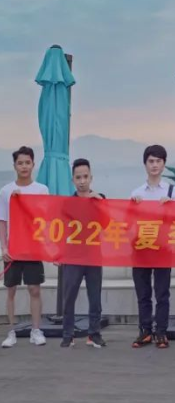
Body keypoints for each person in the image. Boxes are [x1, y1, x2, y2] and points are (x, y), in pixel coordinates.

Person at [129, 145, 175, 349]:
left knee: (162, 293)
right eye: (151, 161)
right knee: (142, 293)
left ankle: (161, 331)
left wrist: (171, 207)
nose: (154, 165)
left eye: (158, 161)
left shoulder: (172, 192)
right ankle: (145, 331)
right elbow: (129, 223)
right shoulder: (137, 193)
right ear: (145, 164)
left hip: (163, 248)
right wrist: (133, 207)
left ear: (164, 164)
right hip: (141, 247)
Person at [0, 146, 49, 348]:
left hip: (33, 247)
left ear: (33, 164)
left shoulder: (41, 190)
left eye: (27, 162)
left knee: (34, 289)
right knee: (11, 290)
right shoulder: (6, 191)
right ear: (14, 166)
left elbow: (45, 218)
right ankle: (11, 331)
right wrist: (4, 248)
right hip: (13, 248)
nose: (24, 166)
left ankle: (36, 330)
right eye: (20, 163)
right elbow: (3, 221)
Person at [60, 159, 106, 348]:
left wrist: (100, 203)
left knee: (95, 297)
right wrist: (59, 254)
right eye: (78, 177)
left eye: (85, 177)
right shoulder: (67, 203)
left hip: (94, 255)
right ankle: (67, 334)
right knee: (69, 296)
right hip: (73, 256)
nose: (82, 181)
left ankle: (94, 334)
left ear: (91, 177)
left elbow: (108, 224)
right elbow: (60, 230)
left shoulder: (100, 199)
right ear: (73, 180)